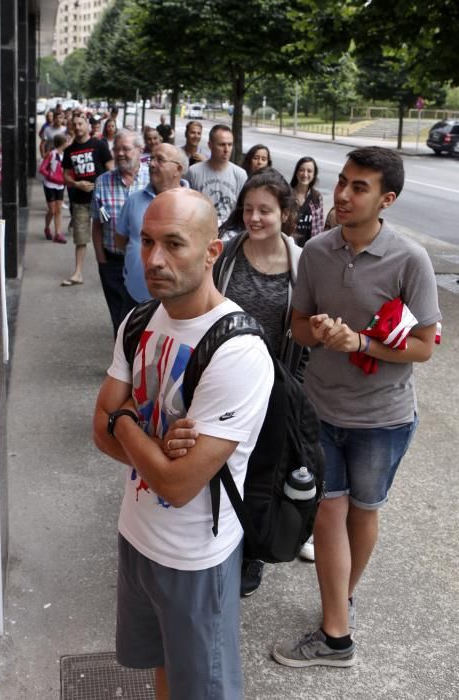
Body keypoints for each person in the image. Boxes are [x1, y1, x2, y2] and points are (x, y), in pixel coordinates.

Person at [92, 187, 274, 700]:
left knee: (206, 689)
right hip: (136, 533)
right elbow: (95, 430)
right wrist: (147, 441)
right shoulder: (138, 321)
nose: (153, 259)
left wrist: (125, 420)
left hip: (196, 555)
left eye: (174, 244)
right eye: (147, 241)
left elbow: (176, 482)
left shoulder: (237, 350)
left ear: (212, 252)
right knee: (165, 670)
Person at [272, 146, 441, 668]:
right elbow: (297, 326)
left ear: (386, 199)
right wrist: (320, 332)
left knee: (364, 513)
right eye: (341, 181)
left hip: (383, 416)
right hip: (321, 408)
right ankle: (336, 635)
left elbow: (425, 346)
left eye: (359, 187)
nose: (343, 194)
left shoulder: (409, 259)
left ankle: (338, 604)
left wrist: (360, 345)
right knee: (329, 510)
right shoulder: (317, 251)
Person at [214, 167, 306, 596]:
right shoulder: (226, 254)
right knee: (219, 461)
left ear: (285, 213)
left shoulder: (300, 262)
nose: (254, 218)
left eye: (265, 211)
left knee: (260, 471)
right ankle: (217, 543)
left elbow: (304, 331)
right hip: (225, 377)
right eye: (248, 209)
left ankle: (251, 553)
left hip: (273, 384)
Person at [115, 143, 189, 320]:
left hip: (178, 301)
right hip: (134, 297)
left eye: (160, 160)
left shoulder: (194, 204)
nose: (152, 164)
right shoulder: (133, 200)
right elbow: (120, 239)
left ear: (177, 169)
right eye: (152, 159)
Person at [91, 130, 150, 337]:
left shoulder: (152, 179)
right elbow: (97, 223)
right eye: (116, 149)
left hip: (143, 262)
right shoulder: (102, 182)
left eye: (126, 149)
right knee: (118, 316)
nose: (120, 154)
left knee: (143, 316)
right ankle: (122, 363)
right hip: (112, 261)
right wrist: (101, 259)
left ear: (140, 151)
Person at [61, 114, 113, 287]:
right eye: (74, 124)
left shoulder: (99, 145)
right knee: (81, 237)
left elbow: (111, 169)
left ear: (87, 126)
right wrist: (76, 184)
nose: (77, 127)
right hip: (80, 199)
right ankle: (78, 273)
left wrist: (105, 187)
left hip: (101, 200)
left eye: (80, 124)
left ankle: (110, 271)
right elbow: (65, 175)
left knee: (108, 235)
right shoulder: (69, 150)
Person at [187, 124, 247, 226]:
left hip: (229, 233)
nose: (226, 150)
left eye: (230, 144)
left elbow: (243, 209)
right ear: (210, 145)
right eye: (222, 144)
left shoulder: (240, 174)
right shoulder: (193, 172)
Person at [286, 156, 324, 247]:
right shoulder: (287, 194)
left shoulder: (317, 198)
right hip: (288, 247)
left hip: (308, 249)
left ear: (314, 175)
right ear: (296, 172)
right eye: (302, 170)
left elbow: (319, 229)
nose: (305, 174)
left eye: (309, 171)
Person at [42, 133, 69, 243]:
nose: (68, 143)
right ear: (62, 143)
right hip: (49, 185)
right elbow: (42, 168)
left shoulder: (66, 155)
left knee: (58, 210)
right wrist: (51, 176)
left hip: (60, 185)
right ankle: (47, 228)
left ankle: (58, 234)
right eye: (67, 141)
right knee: (52, 210)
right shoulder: (51, 154)